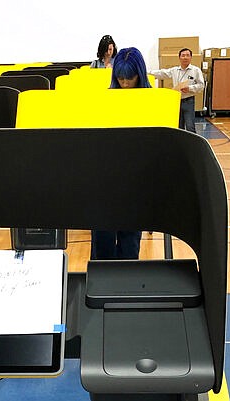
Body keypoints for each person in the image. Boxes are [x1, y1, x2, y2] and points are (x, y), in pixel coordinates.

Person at [91, 47, 151, 260]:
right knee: (102, 241)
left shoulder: (152, 102)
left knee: (130, 241)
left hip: (136, 181)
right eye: (121, 79)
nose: (125, 84)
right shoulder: (105, 101)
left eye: (130, 78)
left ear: (140, 75)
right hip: (105, 180)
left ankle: (128, 286)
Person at [148, 48, 204, 133]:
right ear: (179, 58)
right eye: (183, 55)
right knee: (178, 126)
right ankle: (180, 144)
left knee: (190, 126)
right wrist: (147, 72)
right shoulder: (174, 70)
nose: (185, 57)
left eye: (187, 55)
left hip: (188, 100)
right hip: (176, 100)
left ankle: (192, 144)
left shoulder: (196, 70)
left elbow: (201, 85)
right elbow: (162, 73)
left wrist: (190, 88)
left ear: (191, 57)